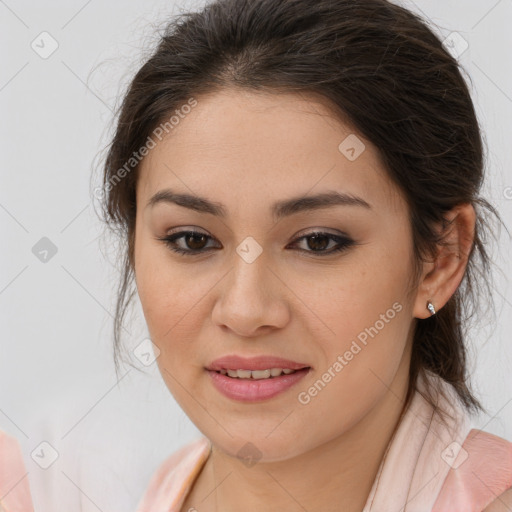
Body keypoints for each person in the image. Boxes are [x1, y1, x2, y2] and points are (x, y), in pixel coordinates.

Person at [93, 0, 512, 510]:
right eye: (193, 240)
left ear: (440, 259)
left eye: (318, 241)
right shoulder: (155, 489)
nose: (246, 311)